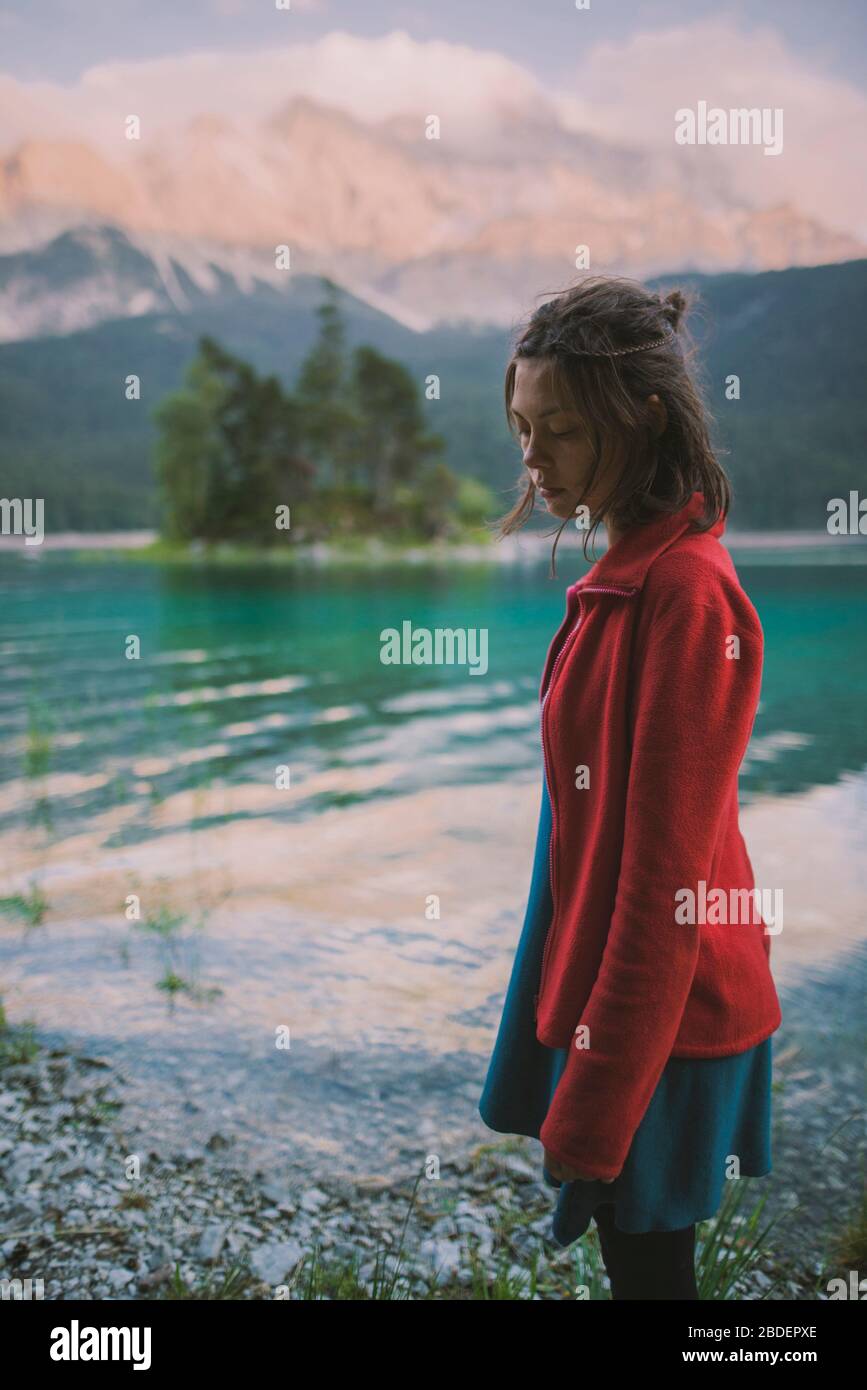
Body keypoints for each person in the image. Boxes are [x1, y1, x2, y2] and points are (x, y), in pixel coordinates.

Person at [478, 275, 782, 1301]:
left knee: (656, 1285)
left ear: (640, 418)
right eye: (523, 428)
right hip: (618, 1008)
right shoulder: (624, 577)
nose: (534, 457)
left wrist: (600, 1098)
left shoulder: (688, 596)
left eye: (559, 429)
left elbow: (666, 890)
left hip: (667, 1023)